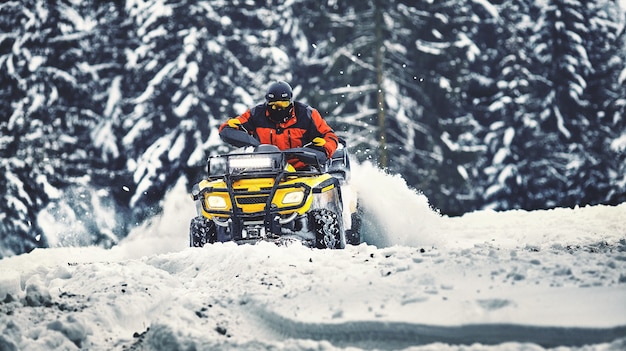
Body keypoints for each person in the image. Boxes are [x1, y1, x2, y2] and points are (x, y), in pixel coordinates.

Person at [219, 80, 339, 168]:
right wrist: (230, 129)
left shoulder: (307, 114)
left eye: (284, 104)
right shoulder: (256, 114)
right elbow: (232, 126)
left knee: (318, 190)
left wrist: (324, 148)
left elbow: (330, 135)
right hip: (264, 167)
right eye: (274, 105)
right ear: (267, 103)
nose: (279, 109)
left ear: (291, 102)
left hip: (301, 168)